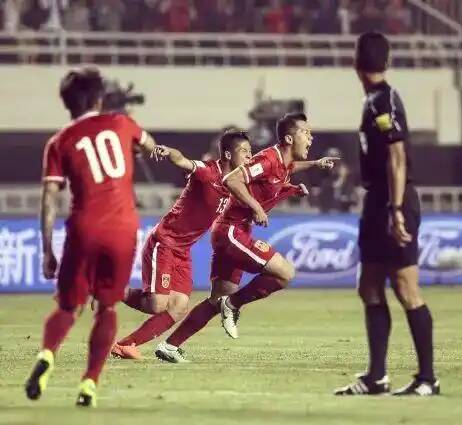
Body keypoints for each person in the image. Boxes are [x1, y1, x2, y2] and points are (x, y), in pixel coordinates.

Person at [154, 113, 338, 358]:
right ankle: (232, 305)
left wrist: (313, 166)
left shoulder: (284, 164)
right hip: (231, 230)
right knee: (285, 273)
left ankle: (170, 346)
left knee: (216, 299)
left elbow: (288, 170)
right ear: (288, 138)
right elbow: (232, 179)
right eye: (306, 132)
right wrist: (257, 207)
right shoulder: (269, 159)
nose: (311, 137)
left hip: (232, 231)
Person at [25, 67, 157, 407]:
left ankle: (47, 354)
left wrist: (47, 250)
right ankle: (89, 384)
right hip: (123, 227)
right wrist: (135, 146)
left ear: (66, 103)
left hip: (85, 226)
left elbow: (49, 199)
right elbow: (150, 146)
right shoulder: (122, 124)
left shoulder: (60, 142)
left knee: (69, 306)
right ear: (99, 98)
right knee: (107, 307)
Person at [334, 32, 438, 397]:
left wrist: (395, 209)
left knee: (406, 288)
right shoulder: (375, 100)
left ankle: (428, 378)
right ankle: (376, 377)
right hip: (377, 200)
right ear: (387, 61)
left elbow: (397, 156)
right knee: (369, 285)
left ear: (355, 63)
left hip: (394, 201)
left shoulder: (384, 100)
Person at [110, 130, 253, 360]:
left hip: (182, 250)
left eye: (250, 151)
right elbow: (183, 160)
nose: (249, 156)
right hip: (164, 242)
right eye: (244, 151)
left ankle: (126, 345)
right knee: (157, 305)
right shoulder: (208, 172)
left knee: (178, 305)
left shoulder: (237, 183)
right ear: (228, 154)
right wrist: (168, 152)